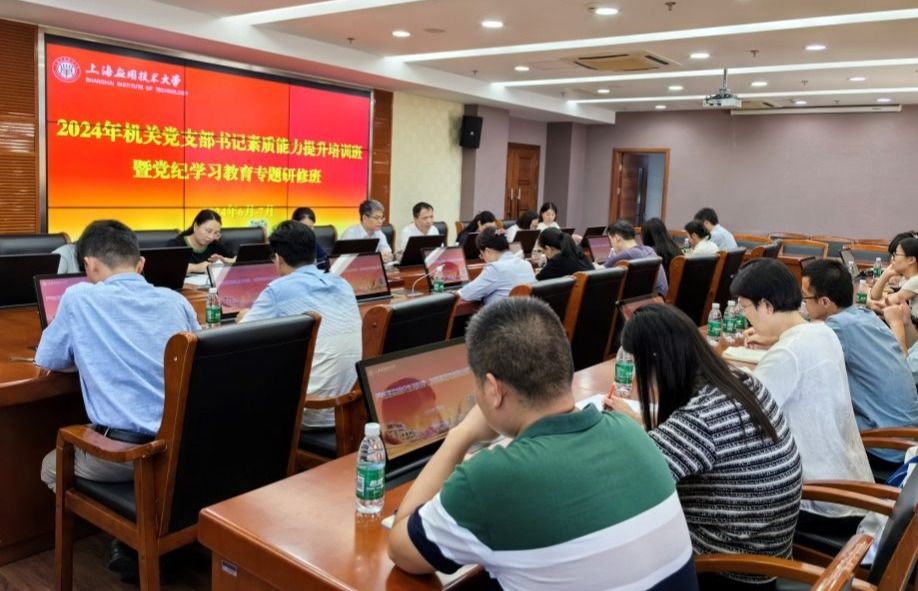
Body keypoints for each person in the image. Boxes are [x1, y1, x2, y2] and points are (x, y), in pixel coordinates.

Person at [387, 298, 698, 590]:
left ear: (493, 389)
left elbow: (401, 549)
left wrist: (460, 435)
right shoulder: (631, 431)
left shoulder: (491, 478)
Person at [35, 220, 200, 579]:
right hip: (185, 449)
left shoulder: (79, 298)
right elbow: (197, 360)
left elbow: (47, 358)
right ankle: (157, 524)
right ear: (141, 264)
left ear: (89, 265)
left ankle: (133, 536)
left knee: (51, 466)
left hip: (127, 457)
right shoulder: (176, 301)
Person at [605, 304, 801, 591]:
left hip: (728, 569)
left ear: (657, 363)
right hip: (767, 550)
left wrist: (616, 433)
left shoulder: (700, 419)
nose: (639, 379)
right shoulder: (741, 381)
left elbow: (632, 484)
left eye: (640, 368)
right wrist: (640, 424)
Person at [731, 259, 873, 536]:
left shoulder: (787, 353)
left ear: (766, 306)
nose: (744, 315)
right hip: (852, 486)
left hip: (820, 502)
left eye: (745, 306)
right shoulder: (822, 331)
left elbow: (739, 418)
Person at [237, 221, 361, 428]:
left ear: (278, 258)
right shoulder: (343, 284)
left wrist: (243, 318)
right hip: (351, 408)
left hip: (311, 411)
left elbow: (239, 340)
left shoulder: (277, 290)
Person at [801, 260, 918, 472]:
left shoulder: (838, 328)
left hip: (885, 448)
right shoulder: (864, 316)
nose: (803, 304)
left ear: (825, 302)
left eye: (805, 298)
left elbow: (802, 360)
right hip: (907, 438)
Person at [458, 227, 535, 305]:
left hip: (502, 312)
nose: (483, 258)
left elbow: (467, 294)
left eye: (481, 255)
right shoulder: (526, 264)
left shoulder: (495, 268)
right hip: (526, 312)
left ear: (487, 251)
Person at [604, 219, 668, 296]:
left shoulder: (627, 254)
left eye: (610, 240)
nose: (611, 244)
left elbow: (601, 270)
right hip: (660, 298)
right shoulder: (649, 249)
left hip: (646, 301)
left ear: (617, 238)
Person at [167, 209, 235, 274]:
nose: (211, 237)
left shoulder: (214, 244)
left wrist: (224, 260)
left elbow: (238, 259)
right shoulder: (176, 244)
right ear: (195, 226)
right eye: (208, 231)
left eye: (216, 233)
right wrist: (195, 267)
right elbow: (166, 269)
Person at [871, 237, 918, 328]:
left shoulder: (915, 280)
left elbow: (883, 303)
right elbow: (876, 297)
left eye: (896, 254)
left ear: (911, 260)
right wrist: (887, 274)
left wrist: (865, 300)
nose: (893, 258)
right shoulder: (907, 279)